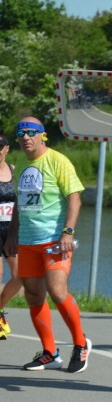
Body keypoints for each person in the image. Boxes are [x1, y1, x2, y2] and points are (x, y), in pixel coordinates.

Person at [4, 117, 91, 372]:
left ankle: (81, 343)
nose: (25, 137)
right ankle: (50, 352)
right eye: (21, 133)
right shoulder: (21, 164)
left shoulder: (57, 160)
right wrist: (11, 236)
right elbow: (19, 206)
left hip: (54, 240)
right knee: (33, 294)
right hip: (28, 241)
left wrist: (68, 232)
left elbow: (74, 199)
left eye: (31, 132)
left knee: (57, 290)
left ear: (43, 135)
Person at [0, 132, 23, 338]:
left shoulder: (15, 171)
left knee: (19, 276)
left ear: (7, 148)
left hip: (11, 230)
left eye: (0, 146)